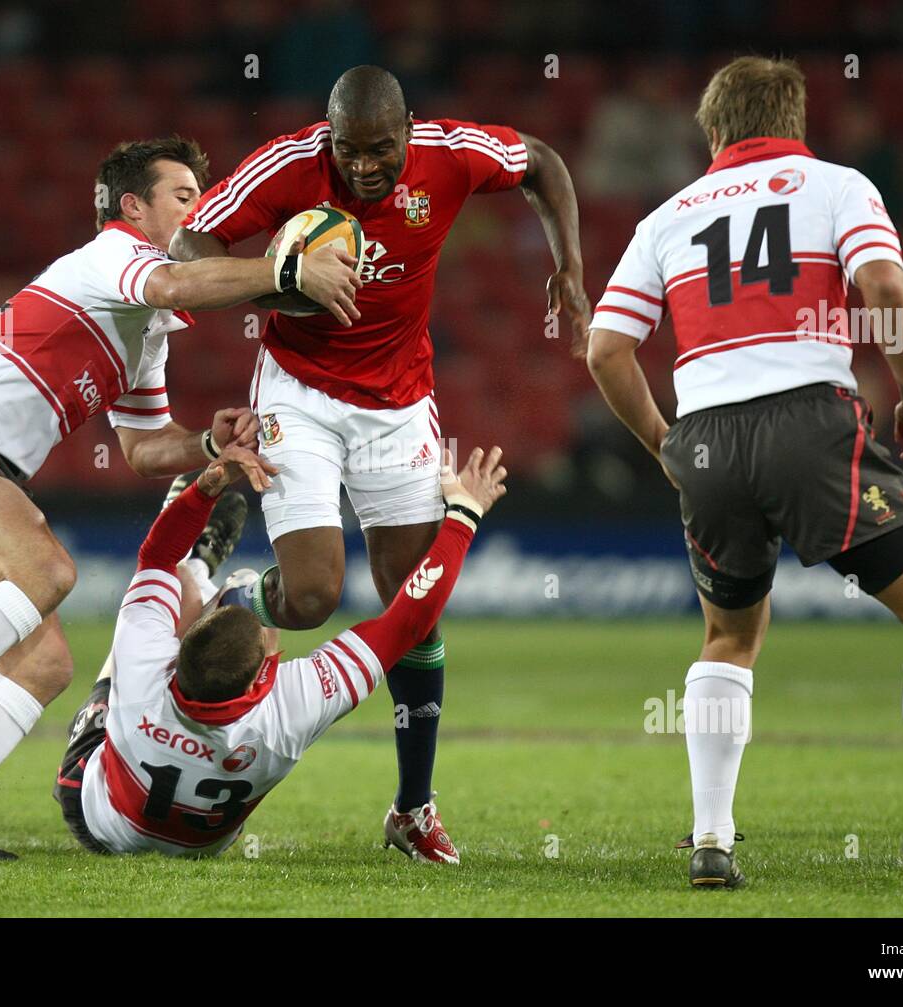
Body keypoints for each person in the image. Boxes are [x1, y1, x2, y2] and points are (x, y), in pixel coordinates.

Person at [585, 57, 903, 890]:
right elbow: (885, 281)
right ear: (794, 120)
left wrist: (663, 446)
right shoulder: (835, 184)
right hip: (809, 425)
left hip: (708, 438)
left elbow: (606, 349)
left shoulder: (666, 217)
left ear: (712, 130)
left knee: (728, 638)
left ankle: (711, 837)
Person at [0, 136, 362, 859]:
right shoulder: (113, 257)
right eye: (184, 197)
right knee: (48, 572)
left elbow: (143, 449)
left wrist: (206, 446)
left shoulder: (142, 335)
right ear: (134, 206)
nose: (200, 210)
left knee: (45, 665)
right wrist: (288, 268)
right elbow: (176, 284)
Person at [170, 65, 590, 862]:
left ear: (408, 131)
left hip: (398, 402)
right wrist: (279, 280)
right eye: (349, 150)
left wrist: (569, 260)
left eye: (380, 150)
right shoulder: (288, 165)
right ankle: (232, 596)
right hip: (298, 394)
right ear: (328, 135)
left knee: (414, 606)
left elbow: (541, 160)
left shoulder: (452, 155)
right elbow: (191, 244)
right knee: (314, 595)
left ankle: (412, 807)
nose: (364, 166)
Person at [53, 445, 506, 857]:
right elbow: (408, 621)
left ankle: (198, 571)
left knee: (137, 639)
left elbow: (153, 558)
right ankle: (207, 576)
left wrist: (207, 485)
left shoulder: (153, 671)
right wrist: (465, 514)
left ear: (176, 659)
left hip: (95, 810)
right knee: (221, 592)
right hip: (194, 840)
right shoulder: (286, 714)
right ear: (255, 682)